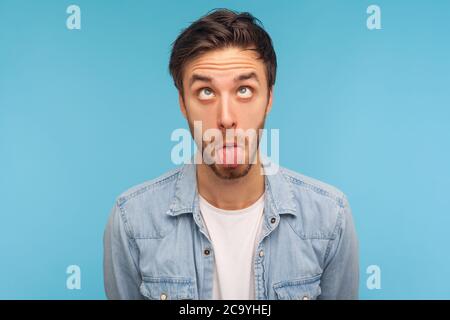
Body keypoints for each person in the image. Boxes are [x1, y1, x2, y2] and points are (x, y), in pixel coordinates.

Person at [103, 8, 359, 300]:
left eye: (245, 90)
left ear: (269, 99)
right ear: (183, 104)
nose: (226, 118)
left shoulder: (329, 218)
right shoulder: (131, 221)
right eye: (206, 92)